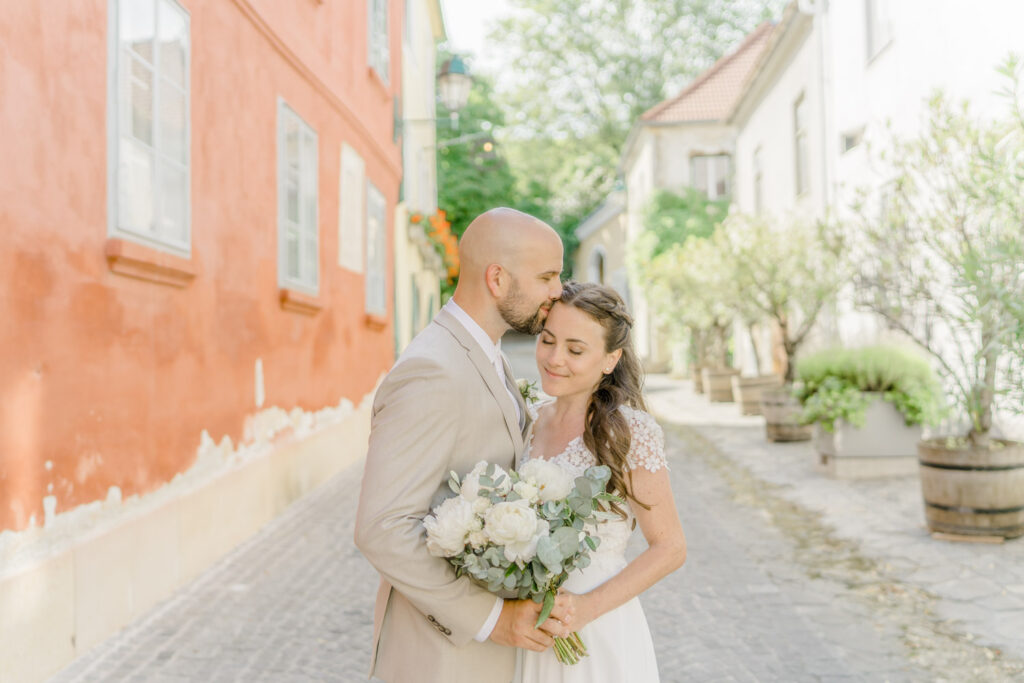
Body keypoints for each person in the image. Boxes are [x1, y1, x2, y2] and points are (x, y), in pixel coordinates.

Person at [354, 208, 575, 683]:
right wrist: (492, 619)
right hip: (440, 659)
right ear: (497, 278)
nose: (559, 291)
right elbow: (382, 527)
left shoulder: (482, 352)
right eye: (547, 276)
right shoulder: (433, 370)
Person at [515, 281, 687, 683]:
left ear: (611, 359)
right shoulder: (527, 419)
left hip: (598, 627)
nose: (555, 359)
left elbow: (671, 547)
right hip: (532, 628)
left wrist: (585, 608)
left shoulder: (628, 433)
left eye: (575, 350)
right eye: (547, 340)